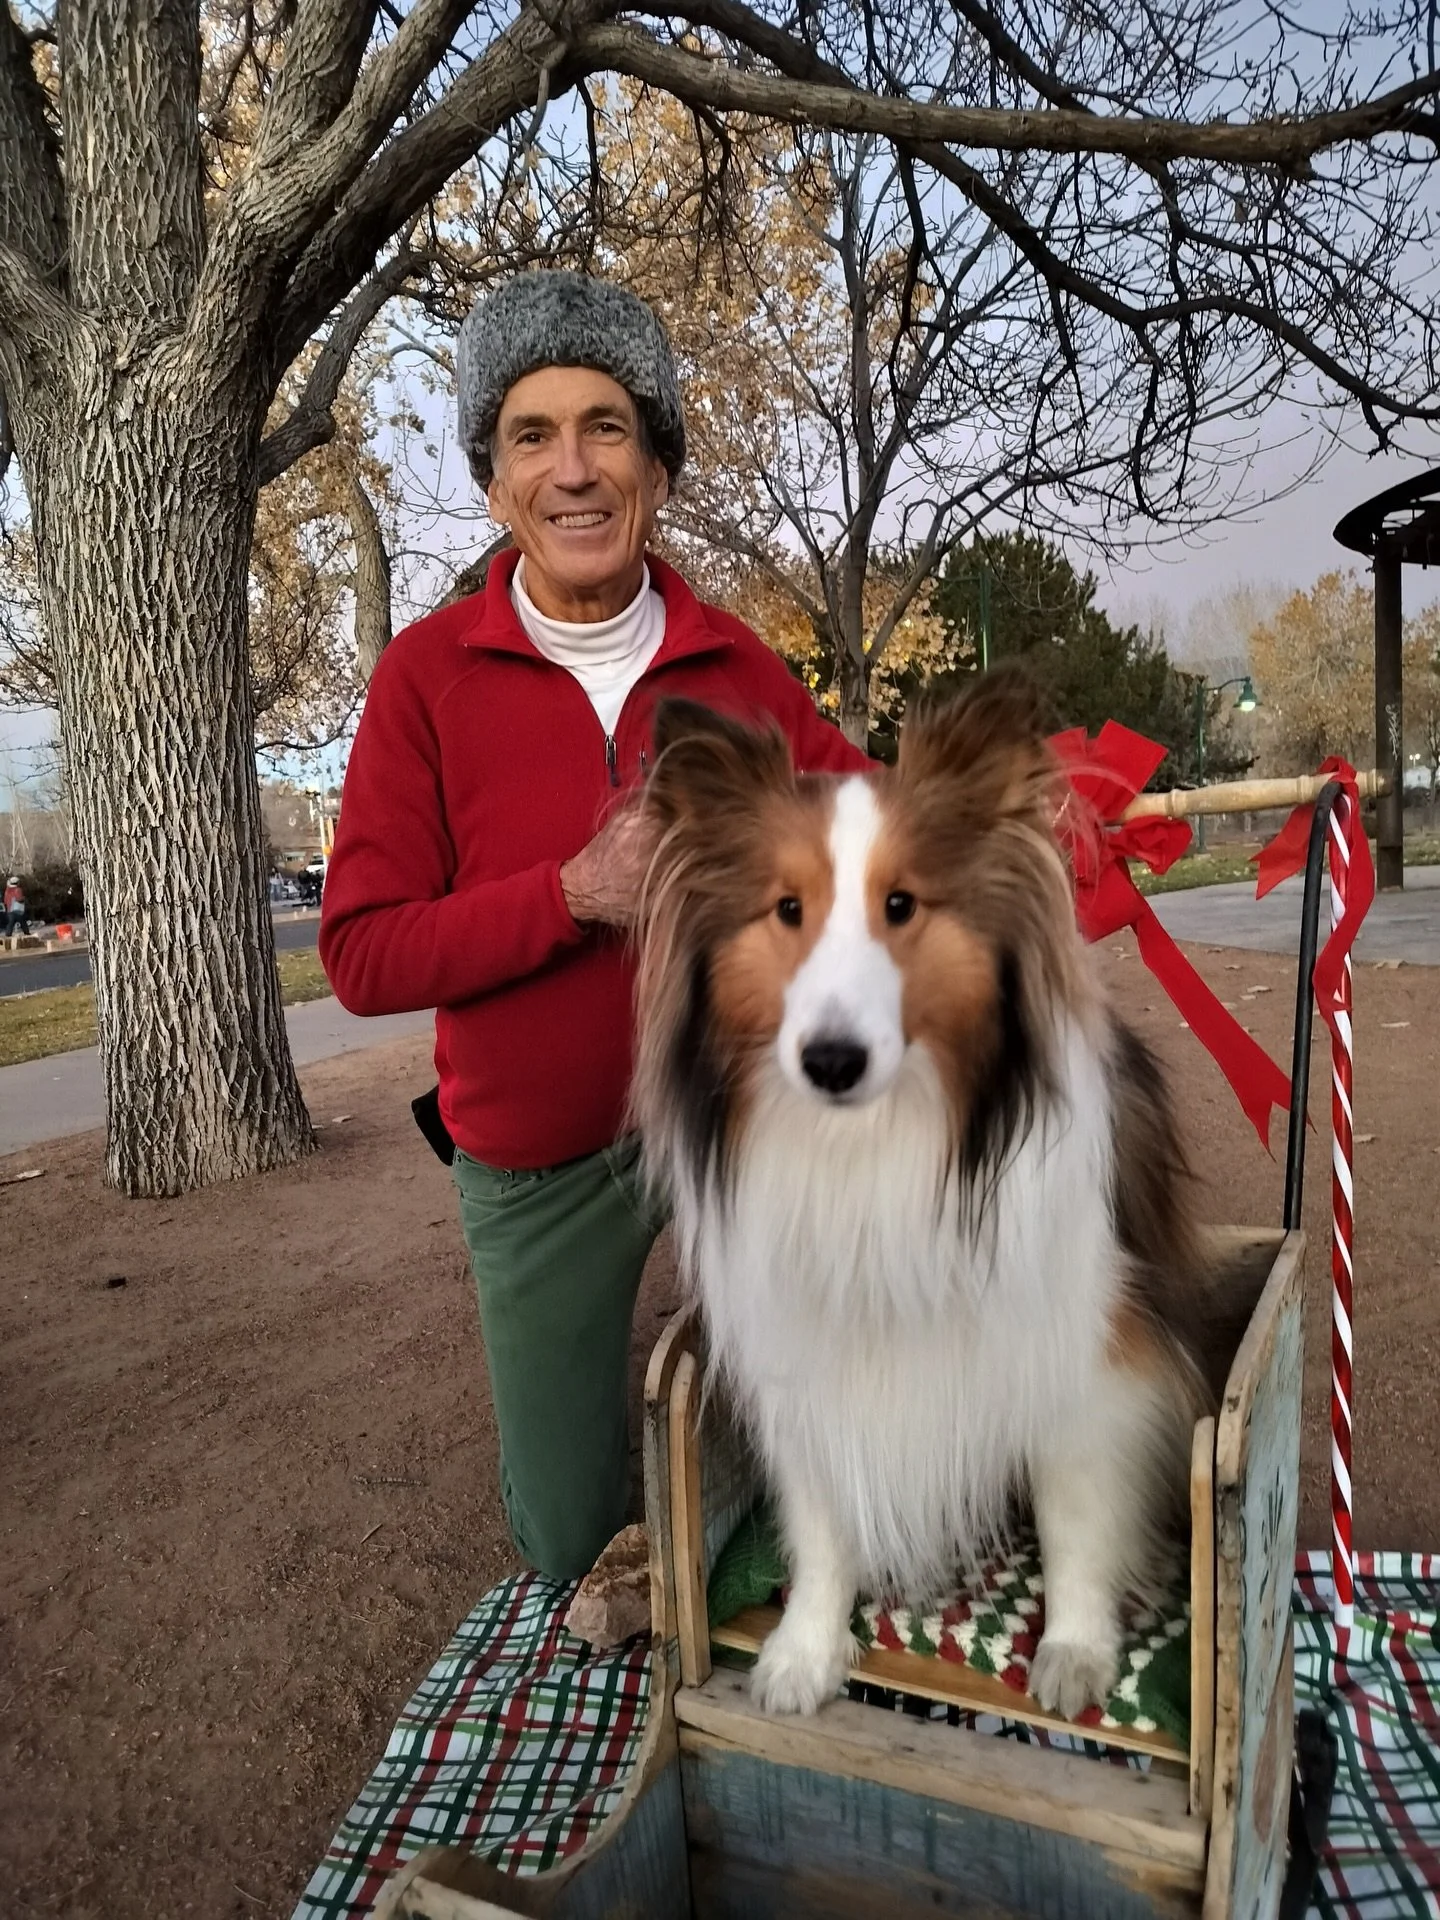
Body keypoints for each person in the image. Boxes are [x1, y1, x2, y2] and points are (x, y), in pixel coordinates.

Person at [319, 271, 864, 1581]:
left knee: (811, 1458)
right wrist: (569, 896)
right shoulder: (424, 679)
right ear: (495, 482)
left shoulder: (734, 665)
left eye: (608, 427)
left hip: (745, 1125)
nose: (573, 468)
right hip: (542, 1160)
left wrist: (1046, 809)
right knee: (578, 1541)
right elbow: (361, 952)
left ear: (658, 466)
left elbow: (869, 817)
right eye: (532, 434)